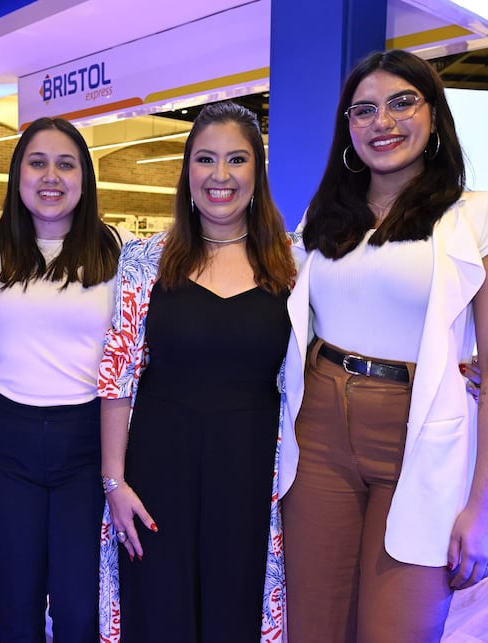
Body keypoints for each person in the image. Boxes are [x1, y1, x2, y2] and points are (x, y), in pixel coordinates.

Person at [279, 49, 488, 643]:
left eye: (401, 103)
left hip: (420, 435)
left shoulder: (480, 215)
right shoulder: (325, 217)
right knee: (313, 628)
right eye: (363, 110)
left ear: (434, 116)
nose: (381, 122)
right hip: (318, 433)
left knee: (400, 630)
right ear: (347, 128)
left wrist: (485, 507)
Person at [98, 101, 296, 642]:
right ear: (187, 172)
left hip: (252, 474)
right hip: (157, 473)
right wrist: (114, 482)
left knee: (237, 611)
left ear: (257, 171)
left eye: (237, 159)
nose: (221, 176)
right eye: (205, 160)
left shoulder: (293, 265)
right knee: (159, 612)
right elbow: (117, 377)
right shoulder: (145, 259)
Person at [0, 116, 134, 642]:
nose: (51, 176)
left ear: (85, 178)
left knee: (79, 610)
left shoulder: (119, 250)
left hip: (86, 445)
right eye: (37, 163)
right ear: (18, 175)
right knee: (15, 607)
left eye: (67, 164)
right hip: (2, 443)